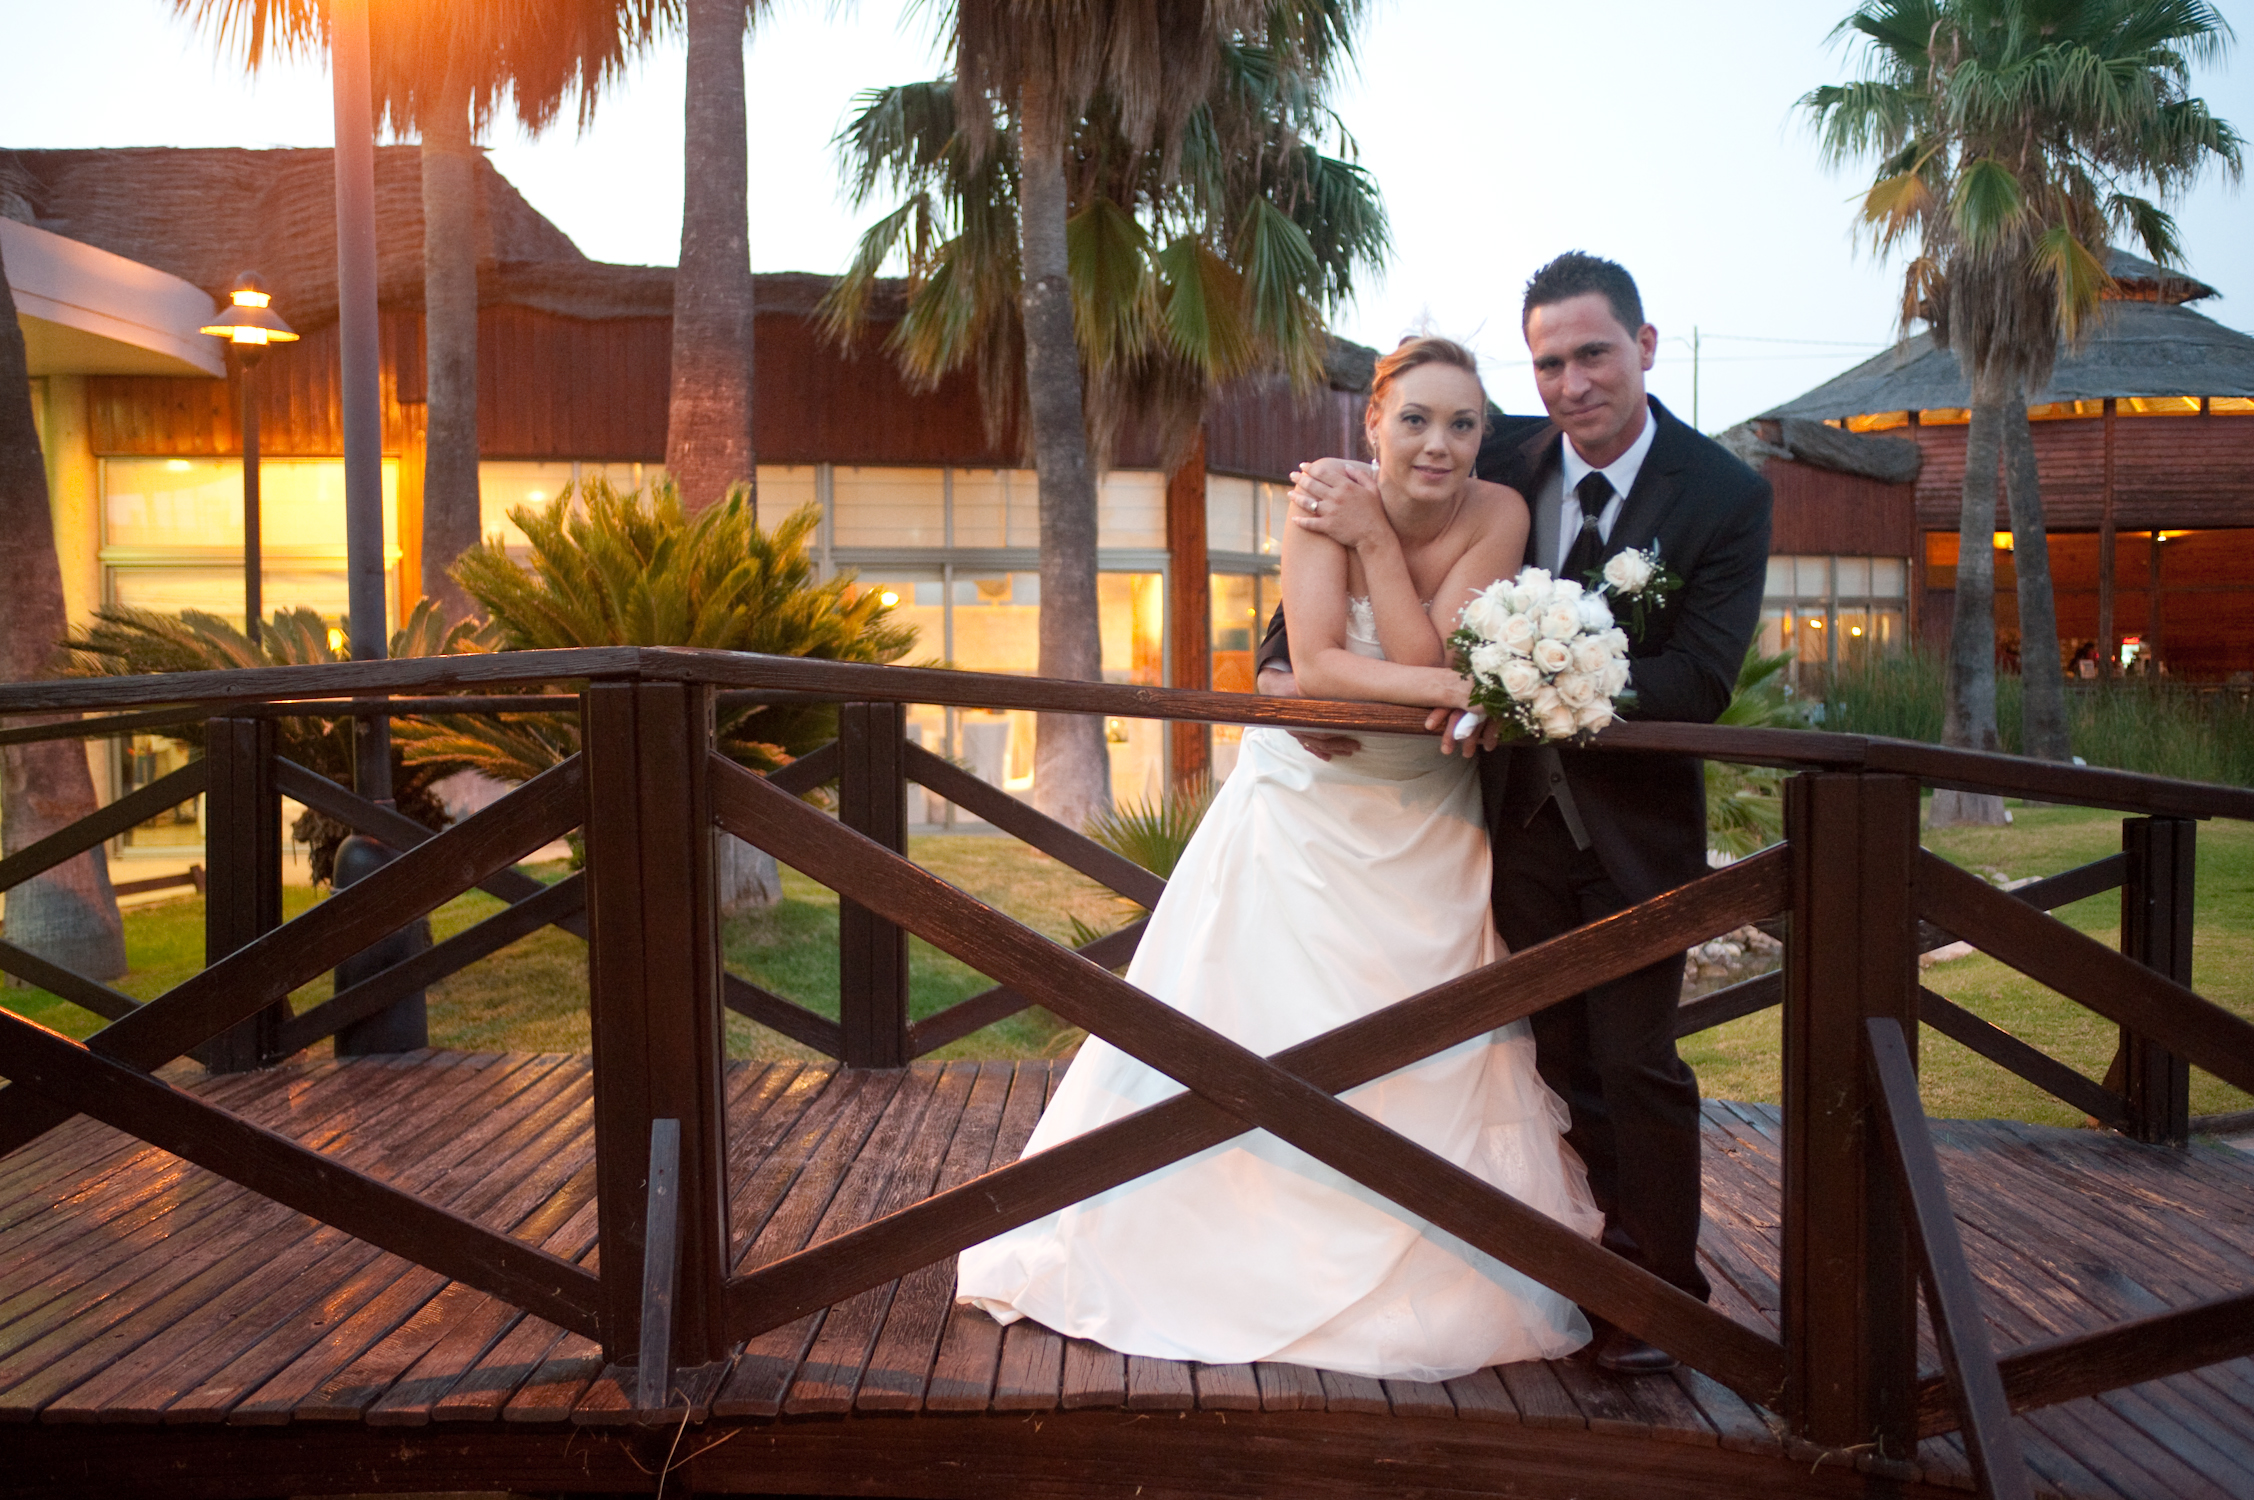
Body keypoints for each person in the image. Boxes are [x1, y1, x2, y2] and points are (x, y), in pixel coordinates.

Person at [955, 338, 1604, 1381]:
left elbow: (1424, 652)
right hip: (1307, 801)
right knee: (1258, 1010)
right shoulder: (1319, 500)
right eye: (1415, 419)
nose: (1437, 444)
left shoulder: (1498, 514)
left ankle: (1427, 1239)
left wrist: (1379, 554)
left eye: (1462, 424)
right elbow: (1321, 670)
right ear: (1373, 421)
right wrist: (1454, 689)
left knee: (1423, 1024)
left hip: (1427, 815)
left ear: (1485, 435)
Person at [1264, 254, 1772, 1375]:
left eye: (1593, 354)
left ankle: (1661, 1297)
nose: (1571, 383)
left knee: (1636, 1062)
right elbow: (1377, 527)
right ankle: (1576, 1270)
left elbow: (1697, 678)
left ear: (1643, 347)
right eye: (1548, 363)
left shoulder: (1723, 494)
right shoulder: (1498, 453)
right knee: (1542, 1058)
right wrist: (1277, 671)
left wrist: (1541, 682)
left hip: (1632, 829)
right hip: (1496, 823)